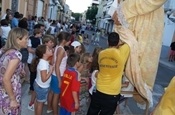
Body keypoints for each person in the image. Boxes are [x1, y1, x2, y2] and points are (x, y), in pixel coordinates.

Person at [87, 32, 130, 115]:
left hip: (99, 89)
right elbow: (128, 42)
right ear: (118, 42)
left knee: (92, 112)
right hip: (112, 93)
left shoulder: (101, 54)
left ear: (107, 42)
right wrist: (120, 43)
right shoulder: (121, 53)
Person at [0, 28, 29, 115]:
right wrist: (12, 99)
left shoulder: (3, 50)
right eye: (26, 38)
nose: (27, 41)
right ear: (18, 40)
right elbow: (6, 79)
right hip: (9, 92)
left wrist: (19, 71)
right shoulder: (16, 55)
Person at [50, 32, 71, 115]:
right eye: (69, 40)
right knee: (56, 96)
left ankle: (52, 110)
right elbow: (57, 65)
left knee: (53, 93)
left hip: (55, 74)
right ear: (64, 40)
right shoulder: (61, 50)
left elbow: (52, 62)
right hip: (58, 75)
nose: (70, 42)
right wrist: (59, 80)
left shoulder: (57, 47)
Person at [31, 45, 54, 115]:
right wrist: (51, 70)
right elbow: (44, 79)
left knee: (38, 102)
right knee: (40, 104)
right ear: (44, 54)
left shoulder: (43, 61)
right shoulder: (43, 64)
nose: (51, 50)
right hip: (42, 87)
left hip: (38, 84)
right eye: (48, 50)